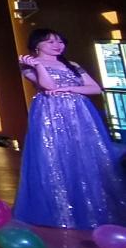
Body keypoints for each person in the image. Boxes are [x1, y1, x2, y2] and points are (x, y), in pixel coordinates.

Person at [14, 28, 126, 229]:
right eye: (50, 42)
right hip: (50, 114)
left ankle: (93, 207)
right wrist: (39, 65)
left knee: (86, 156)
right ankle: (62, 210)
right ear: (37, 45)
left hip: (80, 113)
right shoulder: (29, 66)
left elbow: (95, 88)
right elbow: (48, 86)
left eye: (60, 41)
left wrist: (70, 88)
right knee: (55, 157)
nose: (57, 46)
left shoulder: (72, 65)